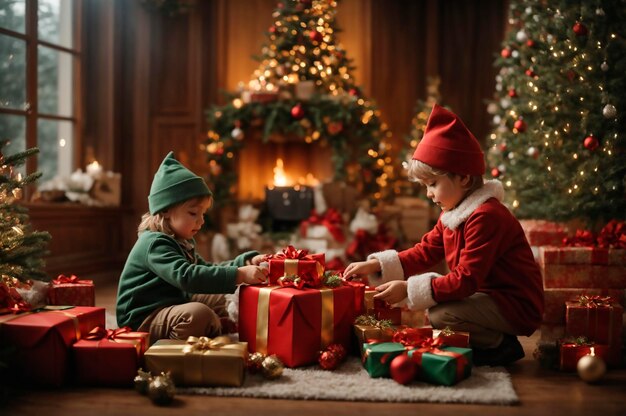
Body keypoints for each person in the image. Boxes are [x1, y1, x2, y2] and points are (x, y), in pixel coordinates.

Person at [344, 104, 544, 366]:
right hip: (488, 297)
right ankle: (486, 339)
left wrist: (407, 288)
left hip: (514, 303)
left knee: (442, 314)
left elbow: (466, 280)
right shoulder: (455, 214)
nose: (429, 194)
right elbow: (425, 251)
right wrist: (377, 264)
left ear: (462, 178)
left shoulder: (486, 217)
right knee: (440, 311)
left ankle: (501, 346)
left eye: (433, 184)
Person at [116, 151, 268, 344]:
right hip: (143, 319)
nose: (201, 221)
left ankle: (215, 327)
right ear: (165, 210)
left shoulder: (181, 241)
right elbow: (187, 277)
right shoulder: (154, 243)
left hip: (173, 304)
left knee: (228, 295)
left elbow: (206, 269)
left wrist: (244, 262)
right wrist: (239, 274)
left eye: (203, 214)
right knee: (199, 315)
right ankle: (179, 346)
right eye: (193, 213)